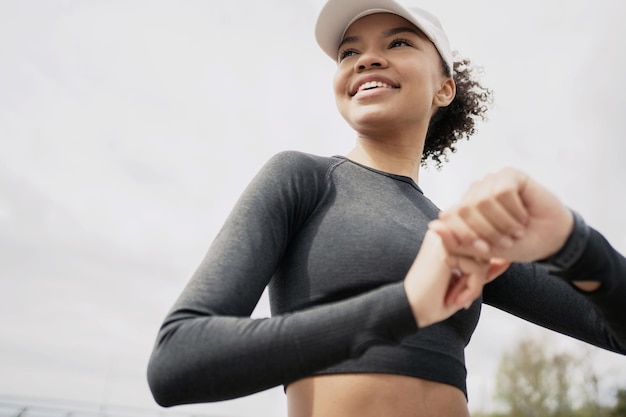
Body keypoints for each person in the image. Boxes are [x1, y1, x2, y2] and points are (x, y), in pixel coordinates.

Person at [146, 0, 626, 416]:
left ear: (444, 88)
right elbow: (176, 361)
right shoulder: (301, 179)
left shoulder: (459, 237)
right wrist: (405, 306)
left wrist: (574, 243)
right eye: (349, 52)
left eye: (399, 43)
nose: (367, 58)